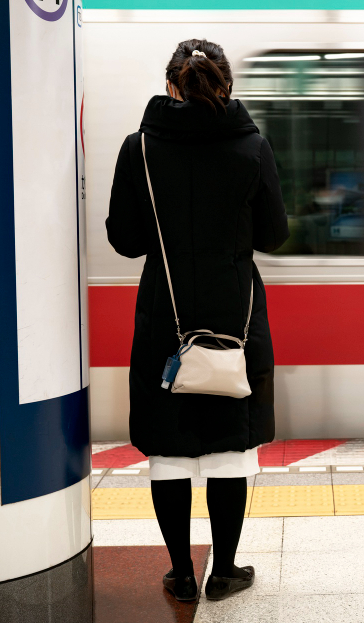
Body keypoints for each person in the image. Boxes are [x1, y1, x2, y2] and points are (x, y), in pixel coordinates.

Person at [105, 39, 289, 603]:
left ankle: (181, 573)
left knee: (170, 448)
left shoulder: (138, 150)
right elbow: (274, 234)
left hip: (166, 316)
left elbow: (125, 240)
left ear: (171, 87)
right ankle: (226, 570)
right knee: (230, 445)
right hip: (235, 314)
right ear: (226, 86)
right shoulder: (253, 147)